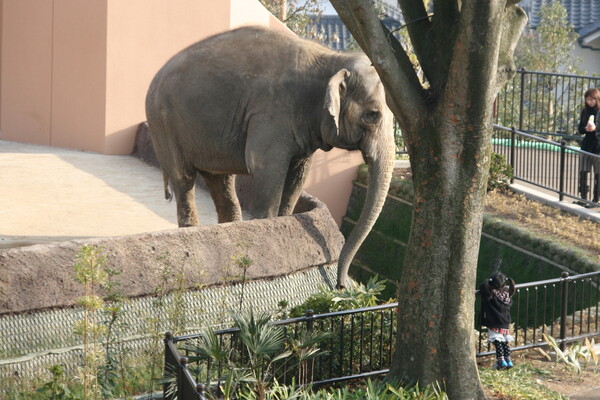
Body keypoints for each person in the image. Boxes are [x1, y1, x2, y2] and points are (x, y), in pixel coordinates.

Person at [479, 271, 516, 370]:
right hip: (505, 322)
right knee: (504, 342)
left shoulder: (491, 296)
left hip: (494, 322)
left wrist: (488, 280)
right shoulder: (506, 294)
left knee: (497, 342)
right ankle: (508, 360)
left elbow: (483, 287)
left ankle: (501, 360)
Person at [576, 88, 600, 207]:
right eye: (588, 99)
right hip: (586, 145)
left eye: (592, 99)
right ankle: (583, 197)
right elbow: (580, 129)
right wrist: (585, 128)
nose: (590, 102)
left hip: (597, 146)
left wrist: (595, 129)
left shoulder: (599, 112)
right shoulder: (585, 111)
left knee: (598, 174)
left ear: (597, 99)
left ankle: (596, 199)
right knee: (583, 171)